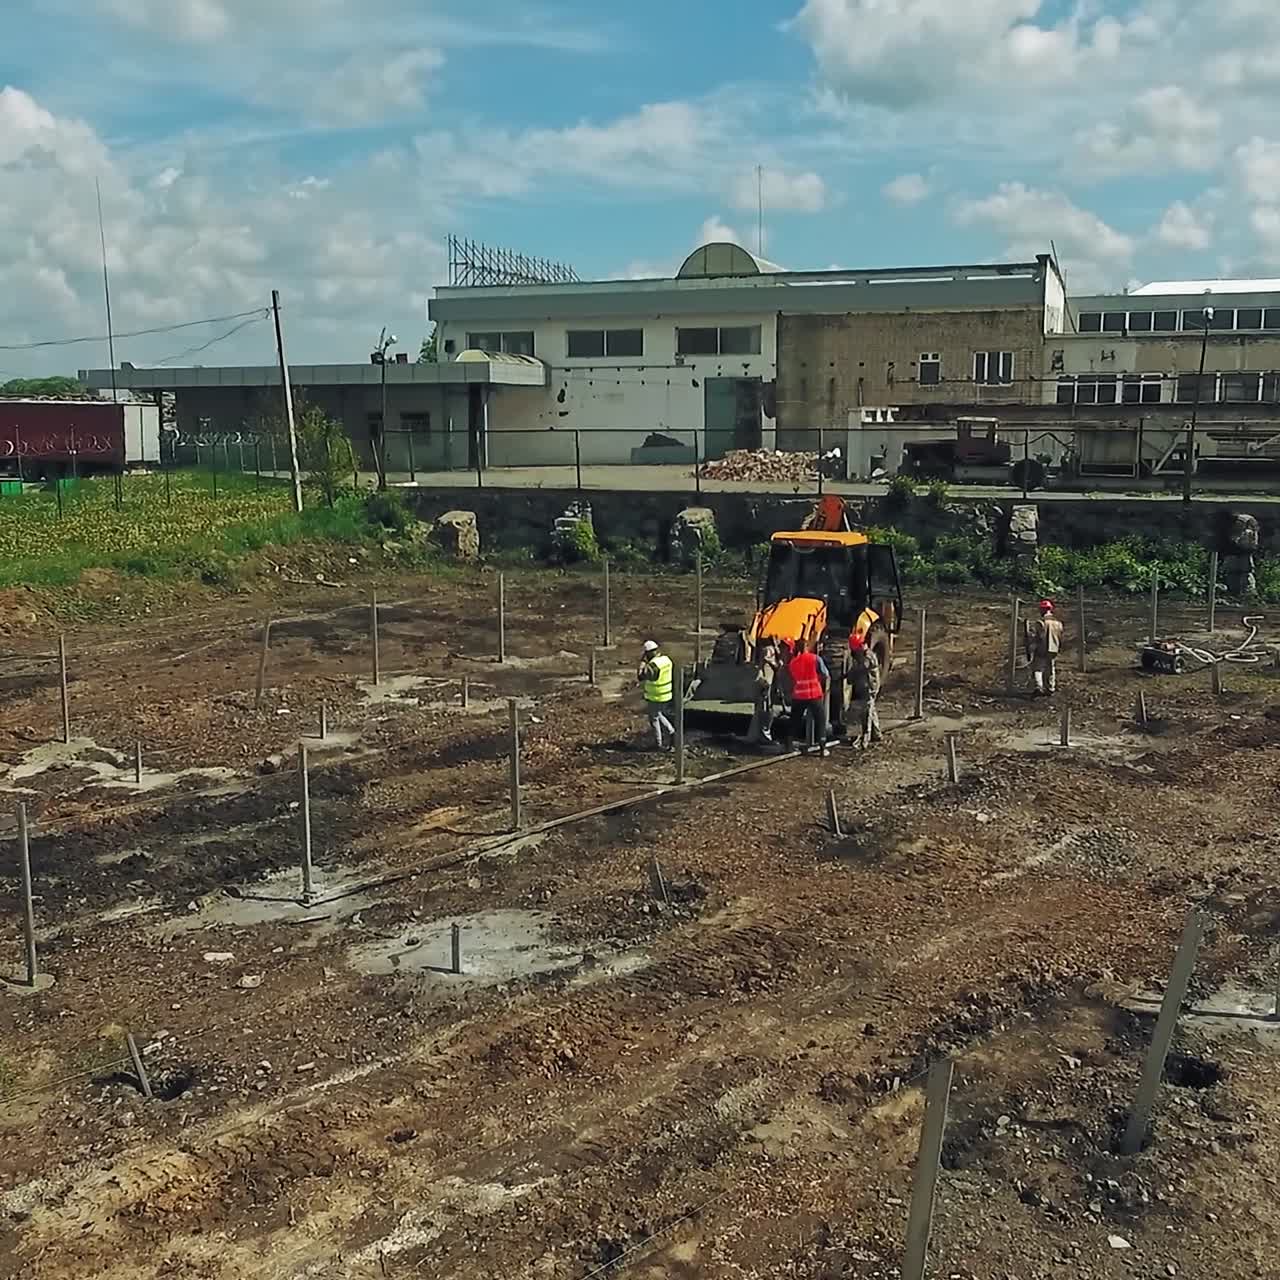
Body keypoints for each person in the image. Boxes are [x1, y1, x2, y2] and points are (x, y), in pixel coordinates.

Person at [786, 639, 830, 754]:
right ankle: (822, 748)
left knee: (794, 721)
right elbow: (825, 674)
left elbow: (792, 679)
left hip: (799, 696)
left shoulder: (793, 662)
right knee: (820, 720)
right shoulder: (815, 658)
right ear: (807, 646)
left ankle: (789, 745)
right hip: (815, 695)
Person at [637, 639, 675, 749]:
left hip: (656, 696)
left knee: (654, 718)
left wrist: (642, 664)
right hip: (666, 694)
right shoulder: (666, 660)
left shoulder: (653, 666)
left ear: (649, 653)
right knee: (658, 714)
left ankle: (659, 743)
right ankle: (672, 733)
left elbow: (640, 676)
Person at [848, 633, 882, 748]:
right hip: (868, 686)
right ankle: (877, 734)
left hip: (870, 687)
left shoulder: (867, 656)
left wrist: (850, 676)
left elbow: (861, 668)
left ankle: (865, 739)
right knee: (871, 709)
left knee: (866, 712)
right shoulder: (864, 654)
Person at [746, 636, 782, 745]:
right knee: (765, 710)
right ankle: (764, 737)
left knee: (762, 709)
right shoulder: (769, 649)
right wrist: (779, 663)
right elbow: (773, 664)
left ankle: (755, 736)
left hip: (765, 681)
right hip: (766, 682)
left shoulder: (765, 649)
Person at [1025, 599, 1064, 696]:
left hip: (1042, 648)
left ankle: (1039, 687)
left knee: (1037, 668)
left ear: (1042, 610)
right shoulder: (1058, 623)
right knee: (1050, 668)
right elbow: (1060, 636)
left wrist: (1030, 643)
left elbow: (1036, 636)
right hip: (1054, 648)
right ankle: (1051, 687)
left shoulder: (1041, 623)